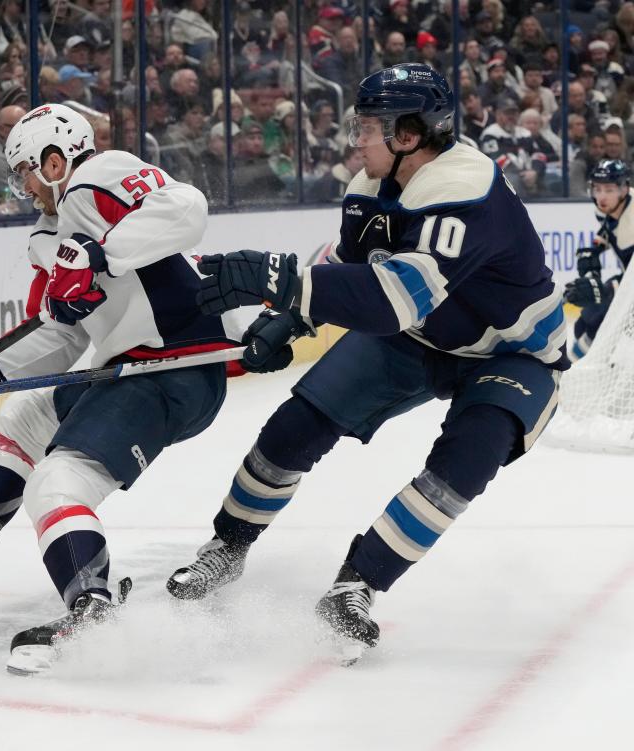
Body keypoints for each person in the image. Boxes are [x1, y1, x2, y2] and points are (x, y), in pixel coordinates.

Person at [166, 64, 568, 664]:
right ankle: (227, 550)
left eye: (369, 127)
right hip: (420, 338)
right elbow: (353, 267)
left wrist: (278, 279)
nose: (357, 137)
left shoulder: (466, 187)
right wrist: (289, 320)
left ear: (409, 134)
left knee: (467, 459)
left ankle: (358, 584)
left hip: (511, 352)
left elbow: (395, 297)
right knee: (294, 426)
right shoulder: (369, 186)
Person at [0, 104, 287, 675]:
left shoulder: (97, 177)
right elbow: (62, 334)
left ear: (55, 160)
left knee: (56, 482)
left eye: (24, 171)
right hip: (137, 368)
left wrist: (99, 254)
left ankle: (91, 611)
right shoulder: (52, 235)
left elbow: (186, 209)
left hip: (170, 368)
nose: (22, 187)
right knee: (22, 418)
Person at [564, 159, 633, 360]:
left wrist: (606, 289)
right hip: (629, 280)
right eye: (598, 188)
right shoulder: (608, 207)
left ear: (623, 190)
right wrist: (594, 250)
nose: (602, 196)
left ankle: (570, 372)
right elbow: (608, 228)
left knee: (599, 322)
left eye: (609, 190)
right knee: (583, 323)